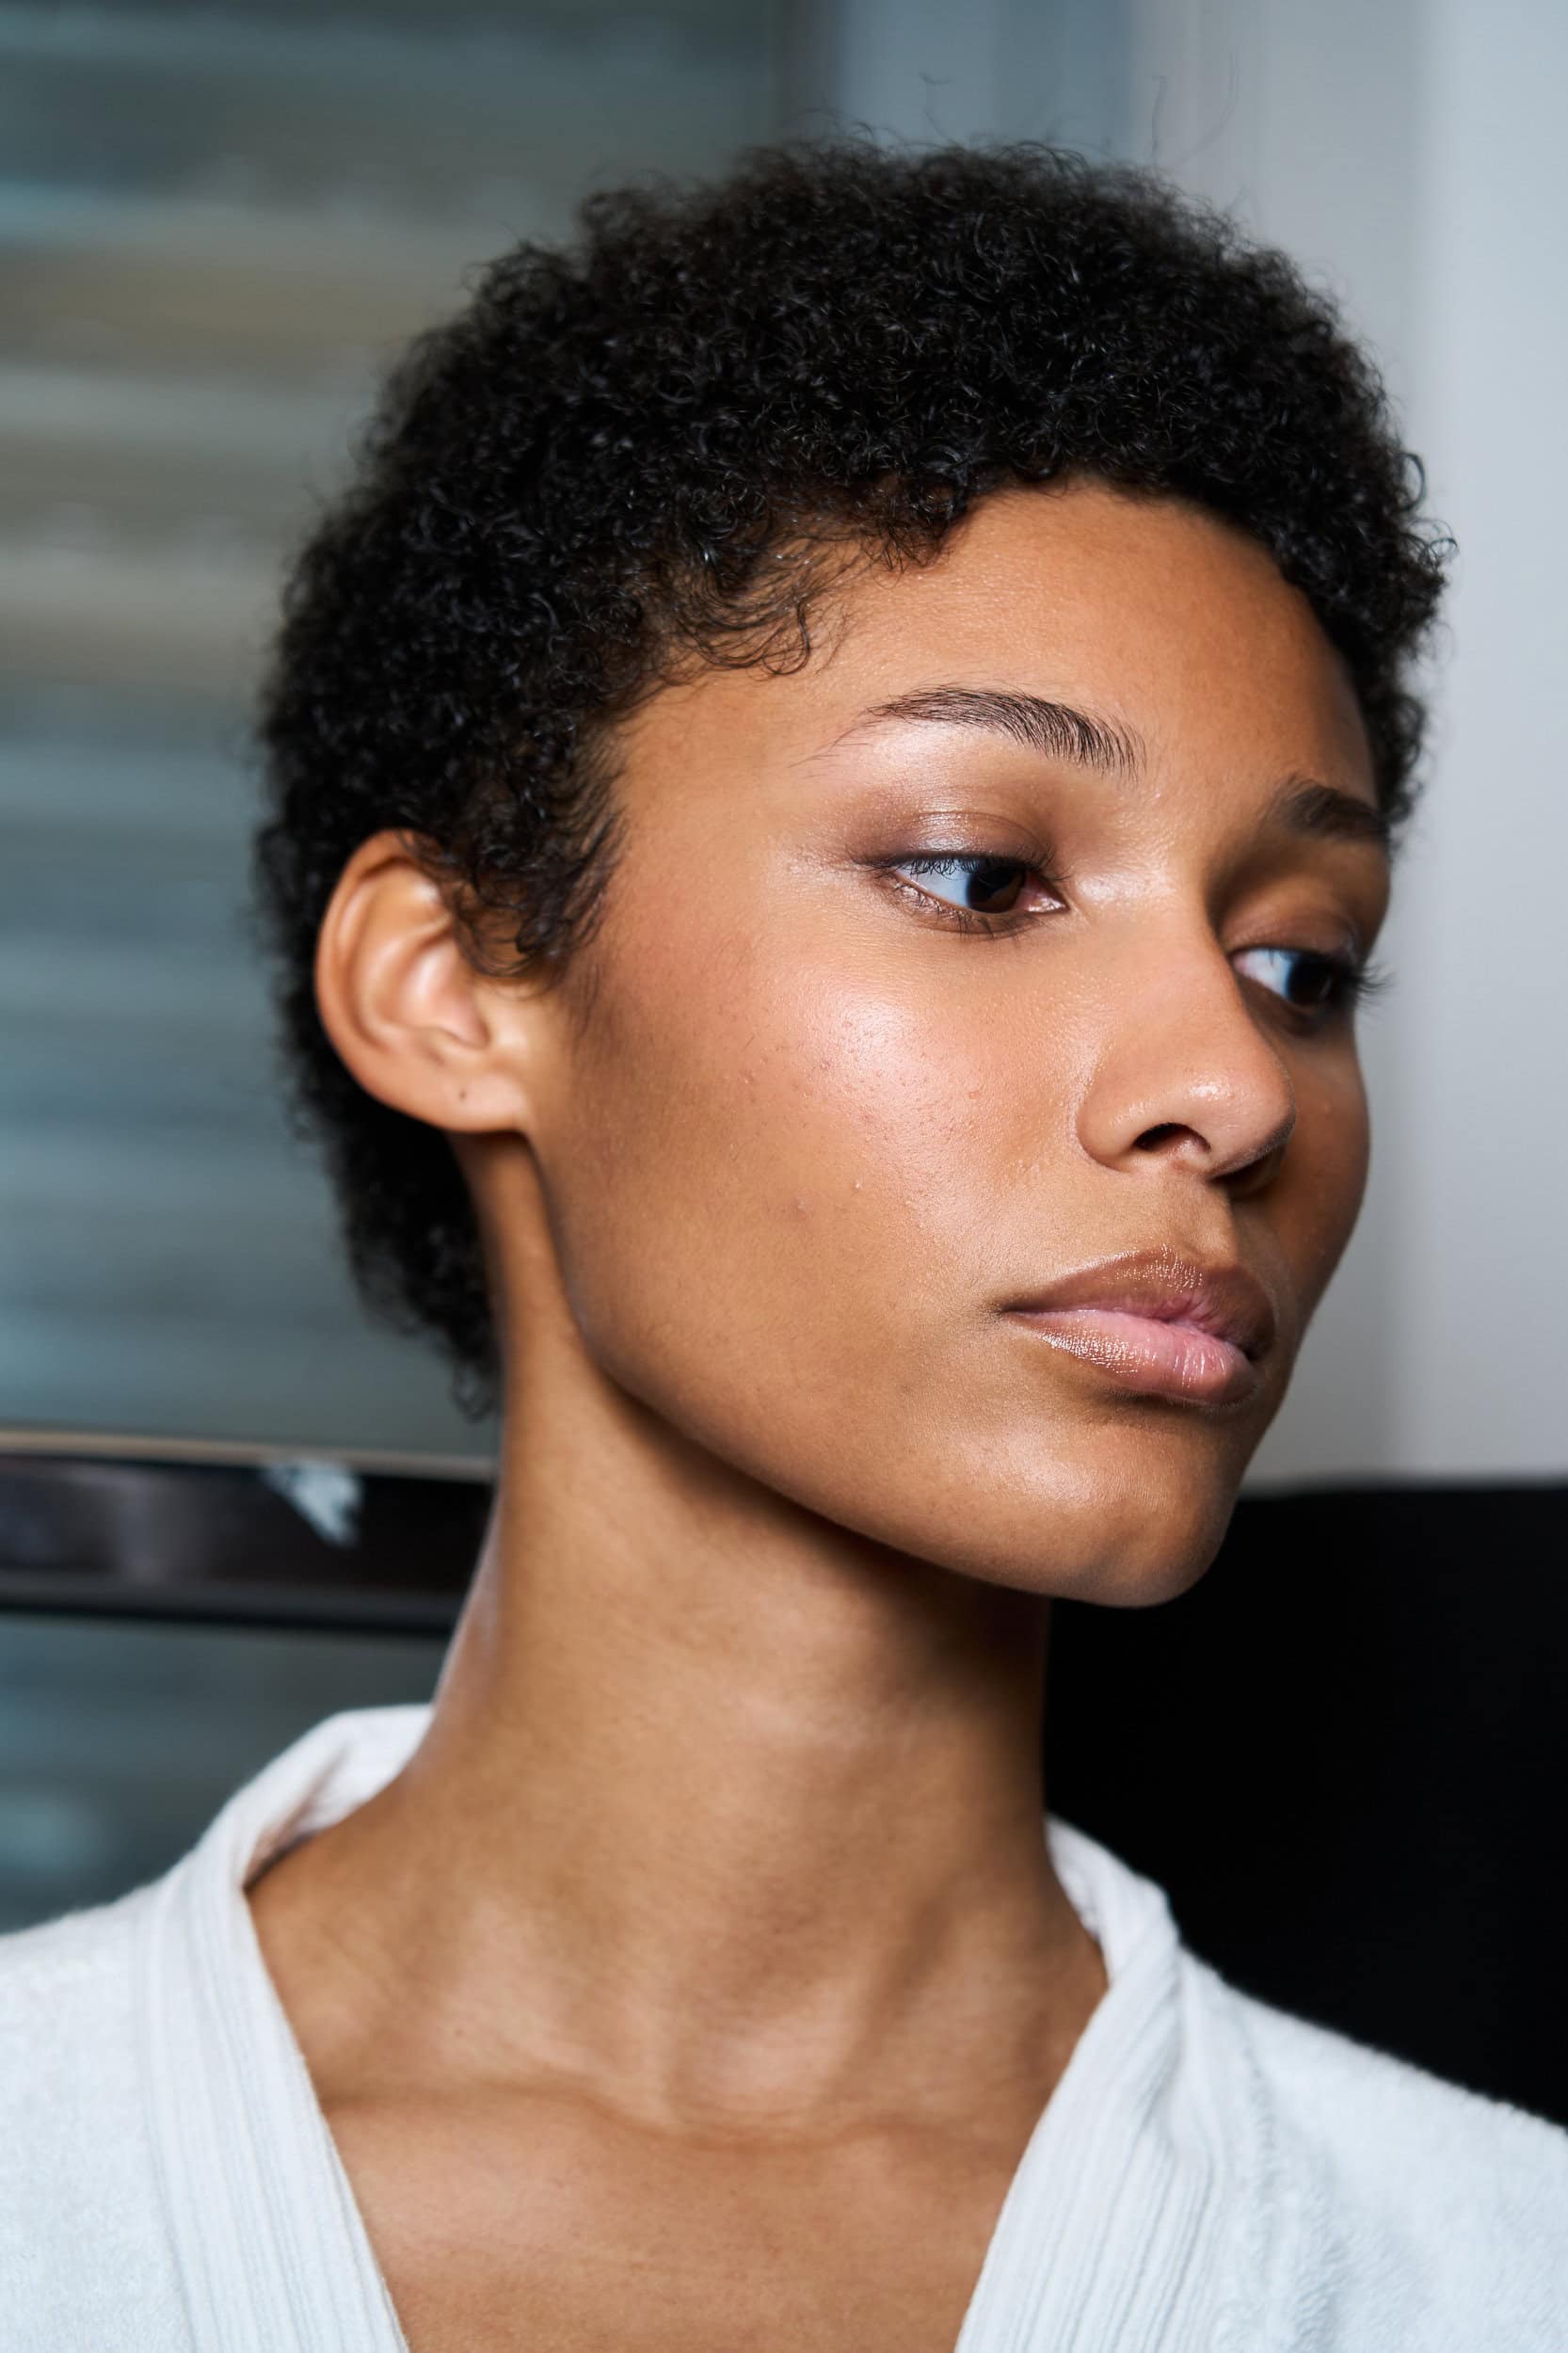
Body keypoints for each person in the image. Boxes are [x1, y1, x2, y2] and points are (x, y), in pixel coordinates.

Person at [2, 139, 1564, 2352]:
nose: (1231, 1084)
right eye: (976, 875)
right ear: (450, 985)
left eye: (1298, 962)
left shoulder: (1490, 2269)